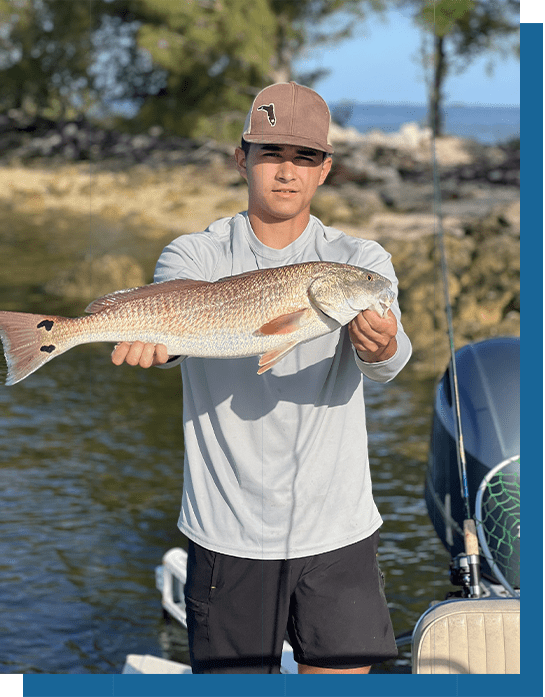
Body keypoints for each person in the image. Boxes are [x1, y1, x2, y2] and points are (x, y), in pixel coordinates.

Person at [112, 82, 412, 674]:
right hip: (226, 531)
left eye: (304, 157)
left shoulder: (363, 263)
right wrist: (160, 347)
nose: (286, 172)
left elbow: (390, 363)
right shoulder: (191, 255)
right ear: (241, 158)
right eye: (271, 153)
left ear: (326, 169)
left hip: (337, 529)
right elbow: (172, 330)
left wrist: (381, 344)